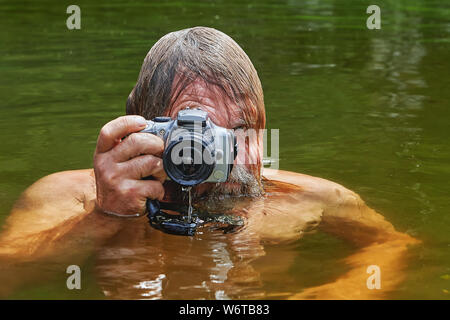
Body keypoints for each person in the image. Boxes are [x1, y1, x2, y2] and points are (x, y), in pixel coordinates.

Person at [0, 27, 419, 299]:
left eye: (239, 133)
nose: (223, 158)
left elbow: (395, 245)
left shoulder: (312, 198)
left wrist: (336, 292)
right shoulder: (69, 199)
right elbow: (10, 276)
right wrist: (103, 216)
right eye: (195, 137)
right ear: (143, 130)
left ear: (263, 125)